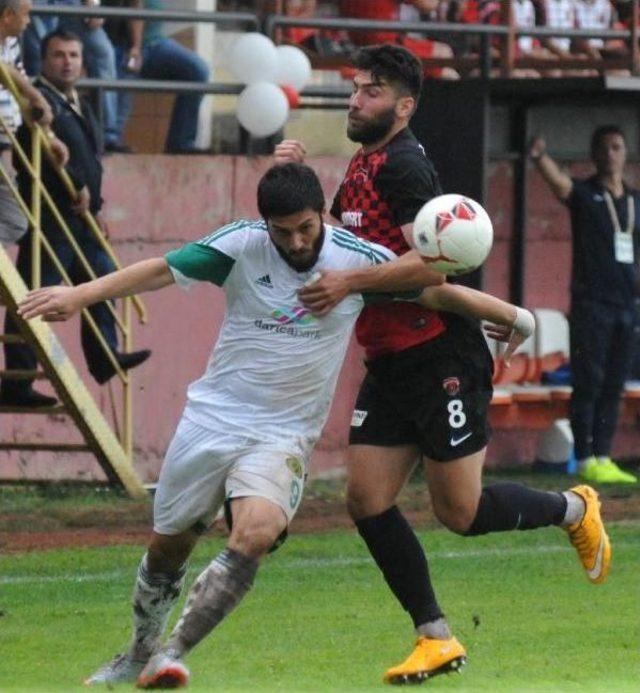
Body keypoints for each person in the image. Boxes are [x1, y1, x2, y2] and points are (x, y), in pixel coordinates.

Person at [17, 161, 536, 688]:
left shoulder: (354, 262)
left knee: (256, 533)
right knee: (168, 547)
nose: (294, 242)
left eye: (305, 228)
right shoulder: (241, 244)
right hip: (212, 419)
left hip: (282, 433)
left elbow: (430, 287)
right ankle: (139, 649)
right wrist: (77, 296)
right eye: (282, 231)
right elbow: (162, 268)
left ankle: (171, 656)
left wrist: (512, 314)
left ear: (322, 216)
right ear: (265, 224)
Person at [275, 43, 611, 684]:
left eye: (370, 91)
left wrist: (348, 287)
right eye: (354, 87)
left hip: (438, 354)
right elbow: (350, 238)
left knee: (461, 513)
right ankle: (435, 637)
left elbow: (431, 264)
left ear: (403, 107)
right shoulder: (365, 159)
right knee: (367, 500)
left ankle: (575, 507)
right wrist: (296, 176)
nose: (355, 98)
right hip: (392, 357)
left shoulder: (402, 166)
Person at [0, 28, 150, 407]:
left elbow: (88, 160)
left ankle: (104, 355)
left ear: (83, 61)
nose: (67, 62)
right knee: (36, 293)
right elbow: (28, 156)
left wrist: (94, 206)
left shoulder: (79, 100)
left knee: (102, 280)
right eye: (58, 55)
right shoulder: (36, 102)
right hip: (51, 212)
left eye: (73, 55)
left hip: (80, 218)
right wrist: (74, 184)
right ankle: (17, 379)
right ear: (44, 61)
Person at [529, 128, 639, 485]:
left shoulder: (635, 201)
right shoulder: (586, 194)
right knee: (588, 381)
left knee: (614, 383)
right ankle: (583, 456)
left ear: (626, 153)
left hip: (627, 304)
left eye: (617, 146)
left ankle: (604, 457)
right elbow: (561, 185)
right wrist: (539, 157)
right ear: (593, 154)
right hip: (592, 305)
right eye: (604, 148)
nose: (611, 153)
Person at [0, 0, 67, 246]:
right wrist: (35, 94)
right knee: (14, 220)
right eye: (26, 15)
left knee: (15, 221)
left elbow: (21, 94)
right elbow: (9, 75)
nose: (29, 22)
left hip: (4, 144)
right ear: (8, 15)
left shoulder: (12, 43)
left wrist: (49, 137)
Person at [104, 0, 209, 154]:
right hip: (122, 44)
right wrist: (135, 48)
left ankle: (181, 144)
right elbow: (135, 5)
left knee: (196, 71)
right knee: (125, 76)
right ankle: (110, 142)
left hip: (154, 42)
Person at [23, 1, 123, 151]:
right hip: (35, 4)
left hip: (71, 4)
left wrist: (93, 3)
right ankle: (43, 127)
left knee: (103, 52)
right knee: (41, 53)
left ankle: (108, 136)